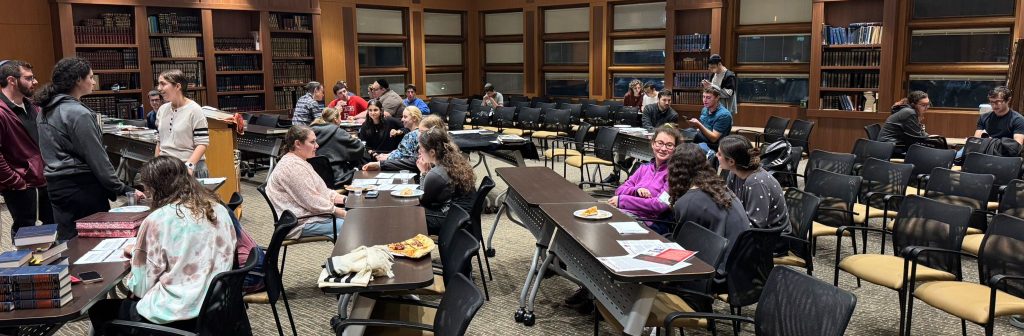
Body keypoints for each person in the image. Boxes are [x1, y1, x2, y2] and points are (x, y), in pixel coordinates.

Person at [88, 156, 236, 332]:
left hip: (175, 314)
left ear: (154, 189)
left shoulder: (157, 220)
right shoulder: (219, 209)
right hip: (216, 307)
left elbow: (140, 288)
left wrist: (138, 254)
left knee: (100, 309)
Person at [35, 57, 144, 240]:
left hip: (56, 185)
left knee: (69, 239)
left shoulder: (45, 110)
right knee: (94, 240)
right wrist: (123, 188)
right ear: (78, 80)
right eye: (91, 77)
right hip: (82, 188)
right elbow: (97, 158)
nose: (93, 82)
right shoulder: (78, 113)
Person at [668, 142, 749, 273]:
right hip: (739, 269)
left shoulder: (687, 202)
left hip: (716, 272)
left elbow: (684, 246)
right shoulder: (719, 187)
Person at [0, 60, 54, 239]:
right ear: (12, 80)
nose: (35, 81)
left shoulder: (33, 106)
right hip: (20, 184)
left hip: (44, 178)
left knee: (52, 229)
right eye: (29, 78)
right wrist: (15, 180)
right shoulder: (2, 111)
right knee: (25, 233)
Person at [266, 126, 347, 239]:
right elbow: (313, 202)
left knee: (355, 222)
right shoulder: (292, 167)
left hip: (312, 216)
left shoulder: (300, 162)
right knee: (353, 226)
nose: (317, 145)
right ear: (298, 144)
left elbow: (321, 191)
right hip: (300, 223)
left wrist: (344, 199)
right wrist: (343, 213)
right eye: (312, 142)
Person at [608, 125, 683, 234]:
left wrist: (623, 200)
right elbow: (619, 190)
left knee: (609, 226)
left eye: (669, 145)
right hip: (628, 213)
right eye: (660, 143)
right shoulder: (644, 168)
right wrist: (636, 190)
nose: (663, 148)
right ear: (653, 144)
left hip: (651, 222)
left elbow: (660, 205)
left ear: (675, 149)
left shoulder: (674, 173)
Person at [718, 135, 788, 231]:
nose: (716, 156)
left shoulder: (756, 183)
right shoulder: (733, 173)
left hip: (771, 236)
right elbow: (729, 204)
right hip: (748, 228)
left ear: (731, 161)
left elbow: (756, 225)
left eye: (719, 154)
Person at [416, 127, 476, 235]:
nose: (419, 152)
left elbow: (423, 201)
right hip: (464, 216)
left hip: (451, 222)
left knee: (411, 213)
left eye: (421, 148)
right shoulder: (456, 161)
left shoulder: (435, 174)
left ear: (432, 152)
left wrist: (423, 173)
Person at [155, 69, 209, 177]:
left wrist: (189, 166)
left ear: (178, 86)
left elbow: (202, 144)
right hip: (166, 168)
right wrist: (155, 165)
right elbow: (159, 142)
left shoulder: (194, 110)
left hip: (189, 168)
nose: (159, 88)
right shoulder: (162, 109)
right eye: (158, 84)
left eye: (163, 84)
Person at [362, 116, 446, 173]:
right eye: (419, 132)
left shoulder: (439, 149)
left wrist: (381, 164)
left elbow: (413, 162)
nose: (419, 135)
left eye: (422, 132)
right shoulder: (424, 144)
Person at [879, 91, 944, 156]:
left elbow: (918, 133)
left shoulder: (908, 110)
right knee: (933, 151)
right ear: (913, 105)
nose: (927, 108)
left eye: (928, 104)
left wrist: (928, 136)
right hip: (890, 147)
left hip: (890, 145)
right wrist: (930, 138)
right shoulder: (909, 113)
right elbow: (917, 138)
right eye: (923, 105)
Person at [311, 107, 366, 183]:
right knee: (360, 161)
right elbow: (359, 148)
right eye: (340, 117)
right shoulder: (338, 132)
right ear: (335, 119)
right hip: (337, 177)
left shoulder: (310, 131)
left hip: (313, 177)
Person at [688, 87, 733, 156]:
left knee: (692, 136)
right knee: (689, 132)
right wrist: (695, 125)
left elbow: (714, 138)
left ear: (717, 98)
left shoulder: (724, 115)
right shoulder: (705, 109)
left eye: (708, 98)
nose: (705, 100)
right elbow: (703, 127)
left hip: (715, 145)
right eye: (703, 97)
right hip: (703, 138)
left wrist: (699, 125)